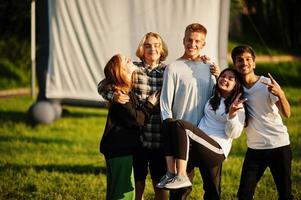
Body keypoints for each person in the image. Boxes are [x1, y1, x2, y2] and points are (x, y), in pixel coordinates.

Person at [98, 32, 169, 200]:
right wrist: (112, 96)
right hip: (138, 140)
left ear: (162, 49)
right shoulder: (133, 69)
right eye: (147, 45)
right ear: (141, 50)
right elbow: (103, 85)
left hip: (160, 137)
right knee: (136, 184)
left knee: (160, 184)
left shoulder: (169, 71)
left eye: (156, 45)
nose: (152, 48)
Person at [157, 68, 246, 191]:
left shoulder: (238, 106)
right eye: (223, 76)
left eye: (230, 79)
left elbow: (234, 134)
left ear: (236, 85)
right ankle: (171, 173)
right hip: (199, 143)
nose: (225, 79)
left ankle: (181, 176)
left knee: (181, 125)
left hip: (216, 149)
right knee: (168, 123)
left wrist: (231, 115)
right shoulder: (212, 98)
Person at [160, 23, 221, 199]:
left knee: (213, 189)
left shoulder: (209, 67)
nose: (192, 44)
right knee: (179, 192)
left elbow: (216, 99)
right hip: (181, 141)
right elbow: (165, 104)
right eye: (189, 40)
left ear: (203, 44)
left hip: (205, 136)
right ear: (183, 40)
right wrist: (169, 132)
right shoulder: (173, 67)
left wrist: (217, 75)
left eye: (197, 41)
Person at [231, 45, 293, 200]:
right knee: (244, 195)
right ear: (235, 64)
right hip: (255, 148)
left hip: (279, 145)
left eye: (248, 59)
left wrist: (281, 94)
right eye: (239, 60)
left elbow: (287, 113)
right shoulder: (237, 88)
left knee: (285, 194)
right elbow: (221, 81)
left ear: (254, 63)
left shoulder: (266, 84)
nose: (244, 63)